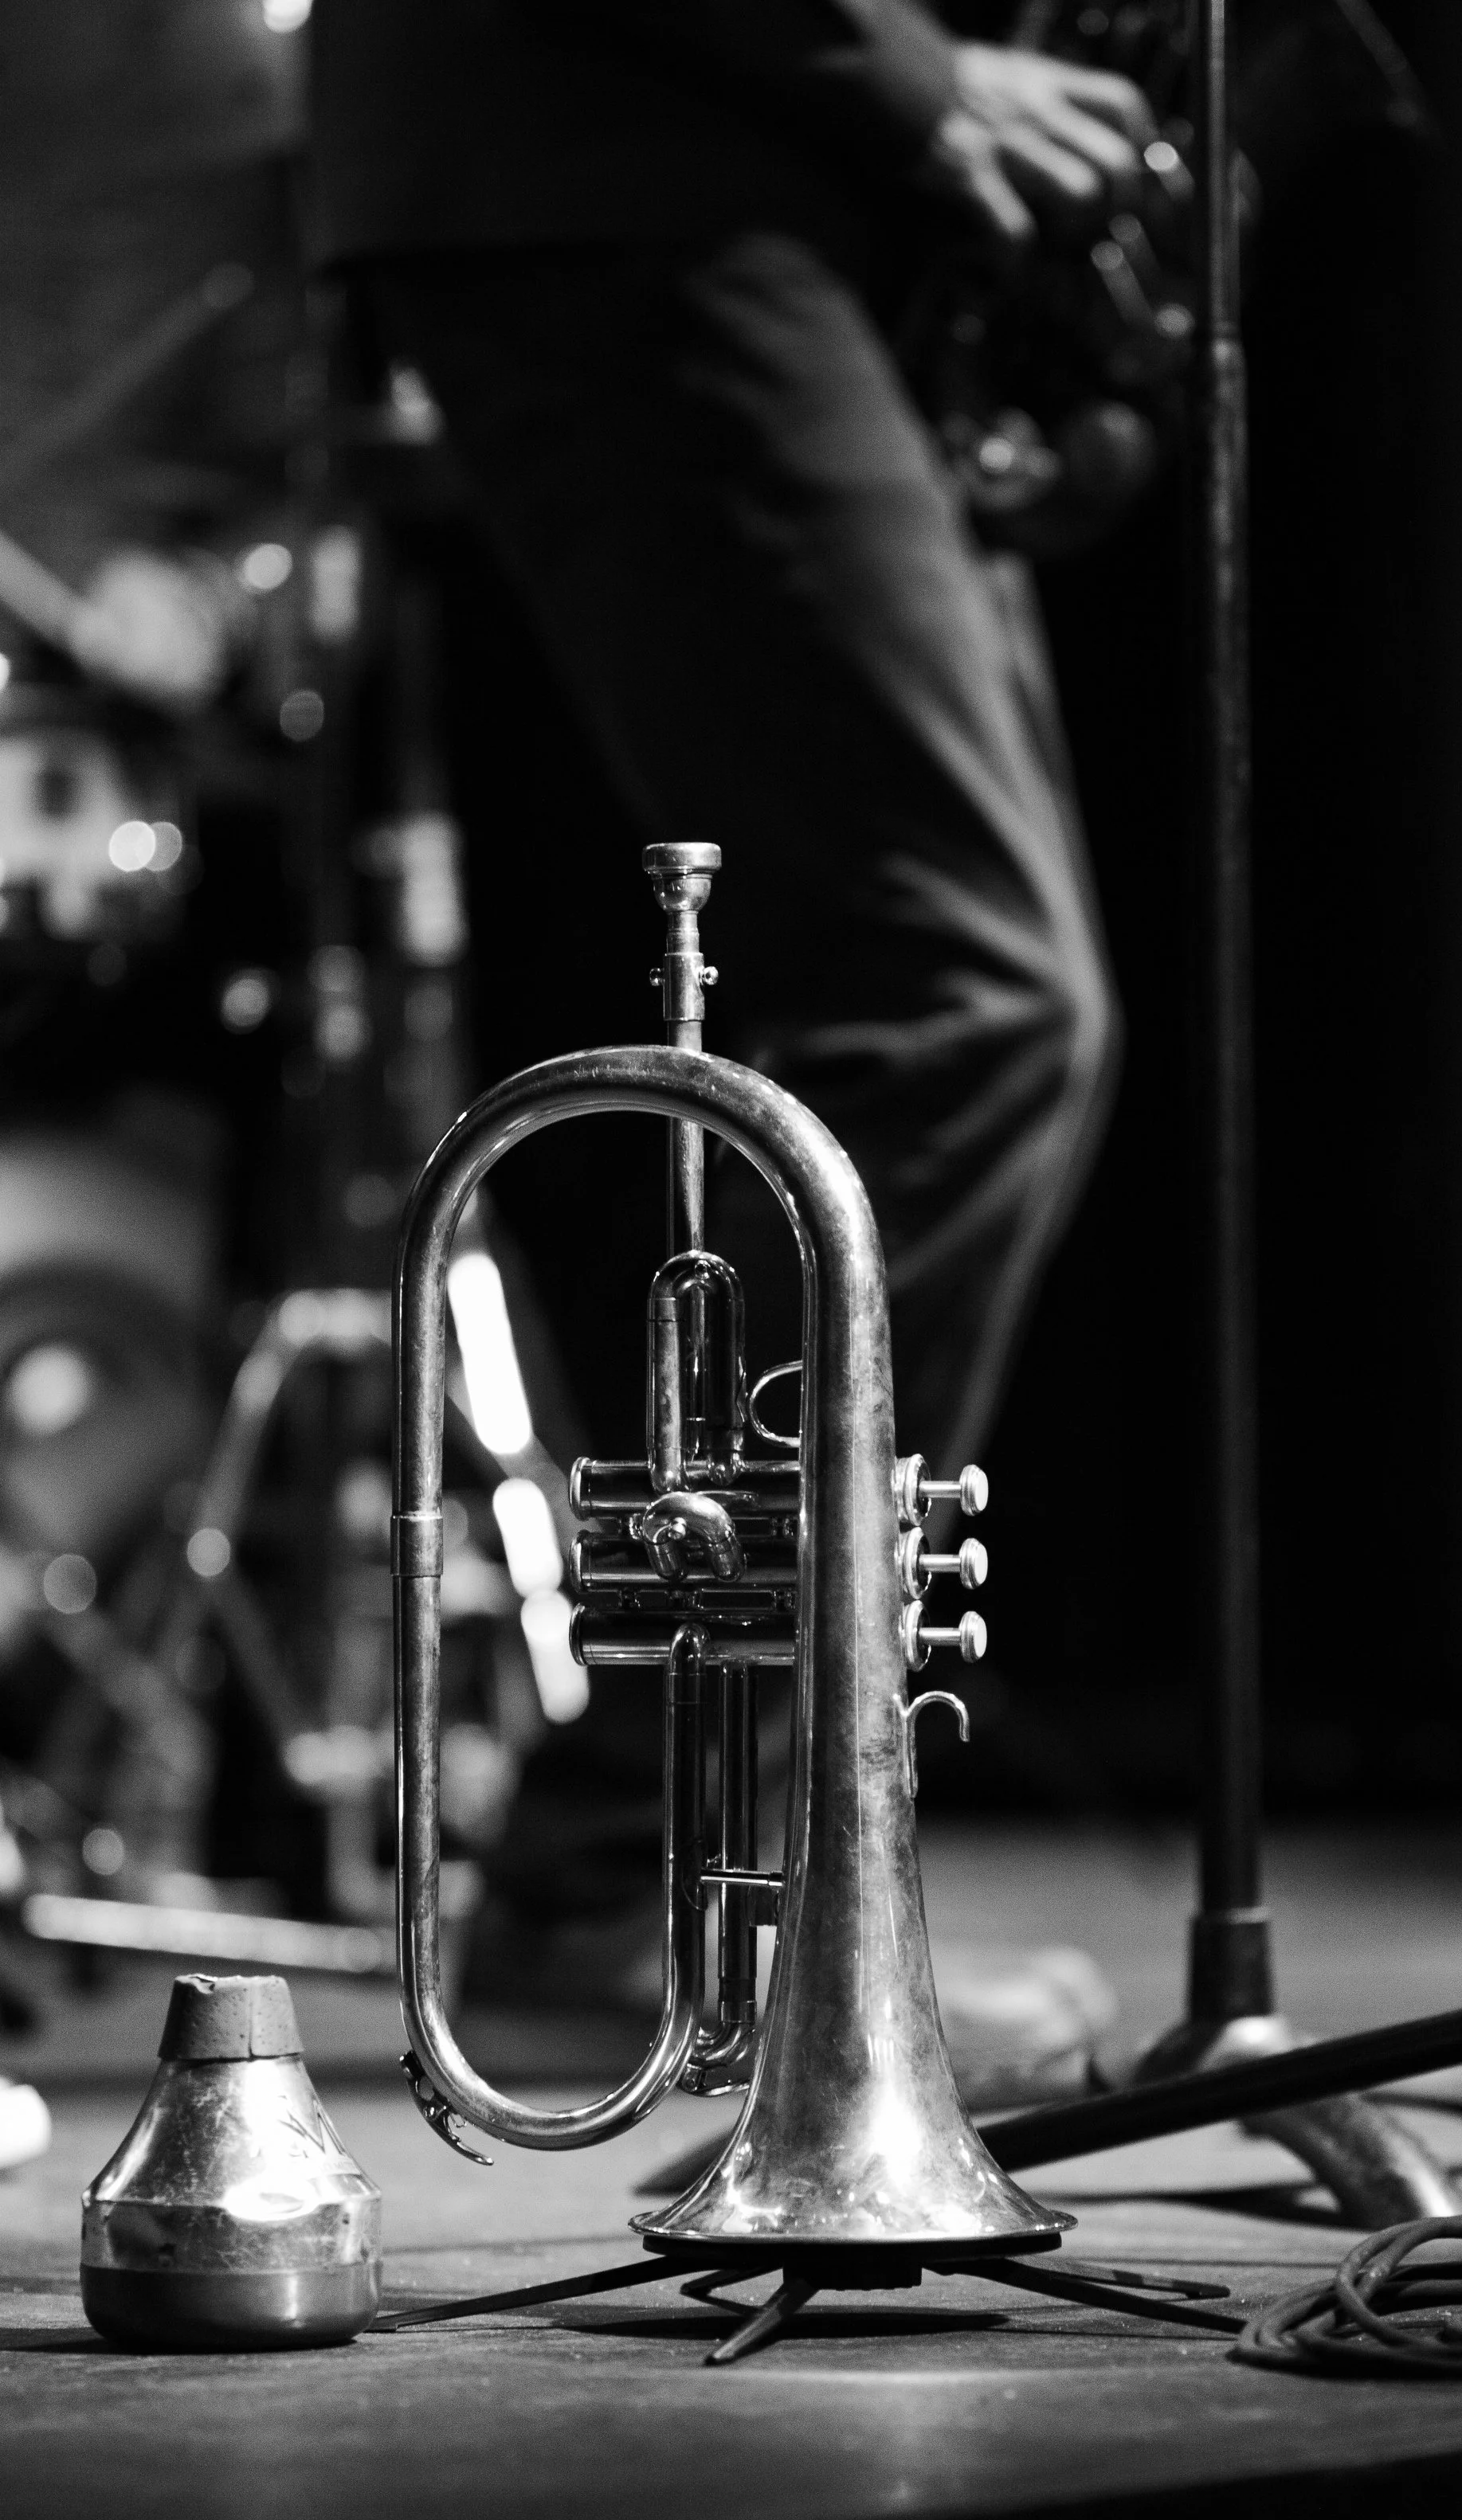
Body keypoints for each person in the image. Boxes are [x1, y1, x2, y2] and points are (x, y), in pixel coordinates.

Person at [308, 5, 1140, 2027]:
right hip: (647, 136)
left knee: (990, 1000)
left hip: (740, 159)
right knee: (974, 998)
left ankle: (675, 1860)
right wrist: (918, 80)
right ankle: (661, 1866)